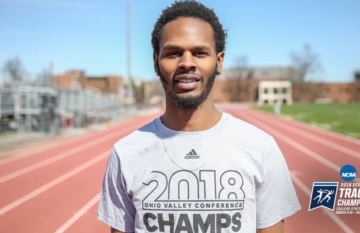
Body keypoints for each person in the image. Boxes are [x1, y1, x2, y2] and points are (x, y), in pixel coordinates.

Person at [97, 1, 301, 232]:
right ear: (156, 62)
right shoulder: (126, 154)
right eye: (173, 53)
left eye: (199, 53)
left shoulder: (261, 148)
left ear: (219, 61)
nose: (186, 63)